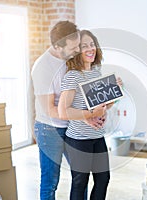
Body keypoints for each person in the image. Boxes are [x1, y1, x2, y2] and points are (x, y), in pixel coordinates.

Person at [31, 21, 104, 200]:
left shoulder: (72, 59)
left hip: (74, 128)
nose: (78, 50)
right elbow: (49, 109)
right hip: (50, 129)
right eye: (74, 47)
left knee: (81, 177)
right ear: (57, 46)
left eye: (78, 44)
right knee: (50, 181)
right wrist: (86, 116)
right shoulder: (43, 67)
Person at [58, 30, 114, 200]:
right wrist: (90, 114)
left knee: (103, 179)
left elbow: (102, 105)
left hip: (97, 136)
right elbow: (63, 112)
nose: (90, 49)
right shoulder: (72, 76)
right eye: (84, 46)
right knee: (80, 182)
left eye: (92, 44)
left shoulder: (96, 72)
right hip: (78, 139)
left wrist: (114, 93)